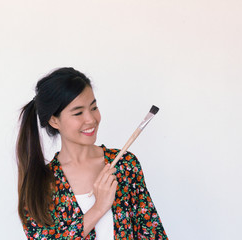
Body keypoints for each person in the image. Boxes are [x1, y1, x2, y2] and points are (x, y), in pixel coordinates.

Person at [16, 67, 168, 240]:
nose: (91, 119)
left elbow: (152, 233)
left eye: (94, 107)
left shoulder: (125, 165)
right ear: (54, 120)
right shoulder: (40, 185)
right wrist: (99, 207)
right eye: (78, 112)